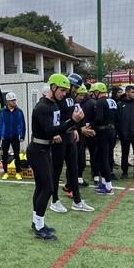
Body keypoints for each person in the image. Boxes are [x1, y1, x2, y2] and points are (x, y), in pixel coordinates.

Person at [27, 74, 87, 239]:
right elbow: (50, 131)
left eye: (66, 90)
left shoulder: (53, 104)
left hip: (44, 149)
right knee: (47, 188)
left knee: (41, 187)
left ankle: (37, 222)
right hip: (37, 150)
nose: (65, 93)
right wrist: (72, 122)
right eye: (62, 90)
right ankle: (39, 226)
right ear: (53, 88)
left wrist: (74, 127)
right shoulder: (43, 106)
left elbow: (58, 128)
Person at [51, 73, 95, 213]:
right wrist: (55, 132)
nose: (76, 90)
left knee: (74, 168)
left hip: (69, 136)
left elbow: (70, 115)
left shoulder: (70, 97)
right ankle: (54, 200)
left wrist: (75, 129)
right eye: (75, 87)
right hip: (59, 137)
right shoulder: (57, 97)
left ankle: (77, 200)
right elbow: (54, 115)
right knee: (56, 170)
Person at [90, 83, 118, 194]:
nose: (92, 95)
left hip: (103, 132)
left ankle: (108, 186)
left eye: (93, 92)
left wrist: (90, 125)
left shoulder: (100, 102)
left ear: (97, 91)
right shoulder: (112, 101)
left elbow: (99, 118)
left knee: (103, 158)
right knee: (100, 156)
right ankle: (104, 183)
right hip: (112, 130)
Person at [116, 85, 134, 180]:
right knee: (125, 154)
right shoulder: (120, 104)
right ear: (127, 92)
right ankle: (124, 172)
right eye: (132, 92)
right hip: (124, 135)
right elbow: (117, 120)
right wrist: (121, 131)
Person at [0, 91, 26, 180]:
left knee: (17, 155)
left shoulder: (19, 111)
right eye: (12, 100)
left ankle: (18, 173)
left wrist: (22, 136)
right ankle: (5, 172)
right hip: (5, 136)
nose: (14, 102)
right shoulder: (2, 112)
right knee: (5, 155)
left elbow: (22, 124)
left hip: (15, 136)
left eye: (15, 100)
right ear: (8, 101)